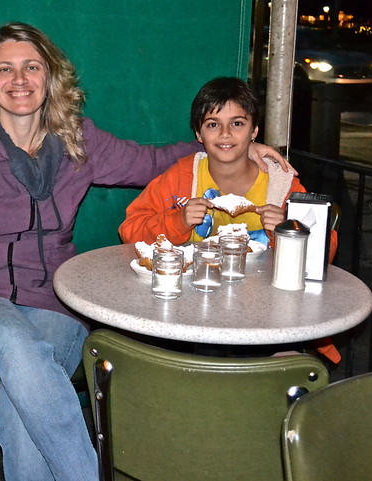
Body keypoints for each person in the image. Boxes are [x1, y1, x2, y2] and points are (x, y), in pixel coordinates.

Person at [0, 23, 293, 481]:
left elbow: (152, 161)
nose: (19, 79)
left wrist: (231, 146)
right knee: (14, 341)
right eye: (4, 69)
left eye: (32, 67)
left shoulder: (79, 141)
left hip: (54, 302)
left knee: (21, 398)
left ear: (50, 77)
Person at [118, 76, 339, 363]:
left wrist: (286, 229)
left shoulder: (281, 184)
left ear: (254, 130)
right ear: (198, 133)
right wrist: (178, 221)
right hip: (190, 313)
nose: (225, 134)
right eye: (212, 124)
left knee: (287, 363)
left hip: (265, 318)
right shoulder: (182, 177)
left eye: (237, 123)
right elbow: (130, 229)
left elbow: (325, 252)